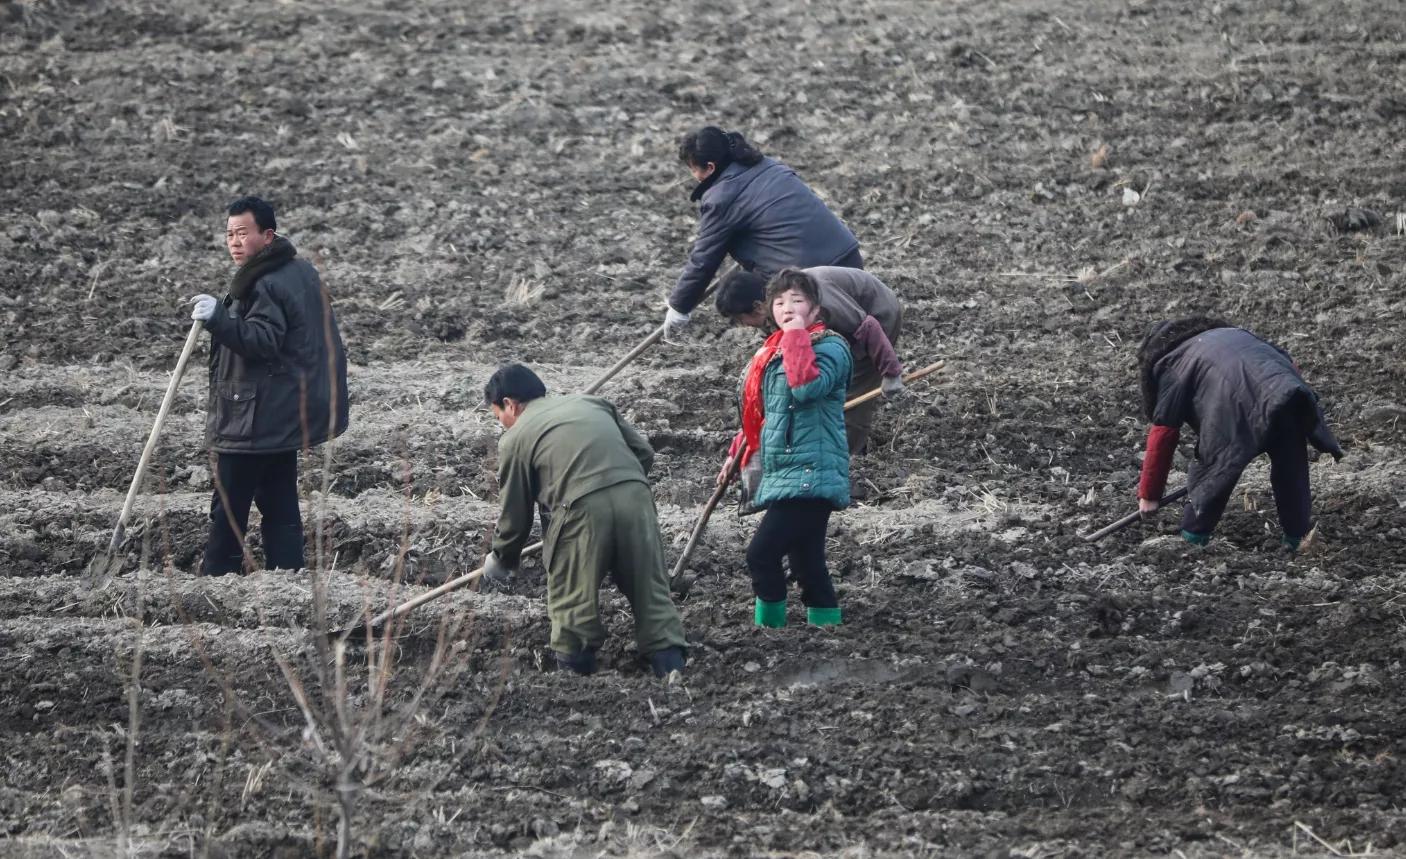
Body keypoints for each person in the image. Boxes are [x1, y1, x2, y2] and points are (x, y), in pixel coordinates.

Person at [480, 364, 688, 677]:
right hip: (636, 498)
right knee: (651, 588)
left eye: (499, 417)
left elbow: (515, 514)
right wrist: (616, 488)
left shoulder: (515, 438)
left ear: (510, 404)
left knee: (571, 600)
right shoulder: (592, 403)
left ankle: (577, 679)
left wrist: (502, 559)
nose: (502, 425)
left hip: (580, 511)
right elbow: (643, 453)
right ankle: (672, 672)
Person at [189, 196, 349, 575]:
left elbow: (262, 341)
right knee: (280, 503)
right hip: (282, 413)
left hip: (252, 419)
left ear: (267, 235)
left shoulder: (266, 284)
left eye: (243, 233)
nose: (234, 242)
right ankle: (288, 577)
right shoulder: (299, 270)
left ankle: (216, 582)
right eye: (229, 234)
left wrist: (218, 319)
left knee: (229, 507)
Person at [1135, 317, 1342, 552]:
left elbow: (1163, 433)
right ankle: (1299, 539)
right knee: (1291, 466)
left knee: (1217, 467)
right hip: (1286, 390)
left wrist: (1149, 495)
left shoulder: (1170, 363)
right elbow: (1288, 364)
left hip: (1231, 402)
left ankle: (1191, 541)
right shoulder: (1233, 334)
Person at [719, 270, 852, 627]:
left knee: (761, 554)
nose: (787, 308)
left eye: (797, 301)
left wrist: (794, 337)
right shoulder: (772, 350)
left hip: (812, 469)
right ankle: (826, 627)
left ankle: (769, 630)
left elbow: (805, 388)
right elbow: (762, 411)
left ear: (816, 308)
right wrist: (737, 452)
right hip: (786, 468)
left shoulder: (831, 347)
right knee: (807, 561)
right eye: (780, 302)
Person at [663, 126, 862, 340]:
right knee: (857, 335)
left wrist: (679, 307)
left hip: (810, 282)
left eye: (694, 169)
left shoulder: (721, 198)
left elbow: (703, 259)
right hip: (850, 261)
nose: (694, 176)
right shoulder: (767, 165)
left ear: (710, 167)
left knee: (814, 344)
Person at [716, 266, 903, 454]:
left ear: (757, 307)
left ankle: (848, 455)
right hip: (842, 325)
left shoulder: (814, 300)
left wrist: (890, 371)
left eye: (740, 319)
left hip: (876, 314)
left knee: (852, 394)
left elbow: (867, 327)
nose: (743, 326)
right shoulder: (777, 308)